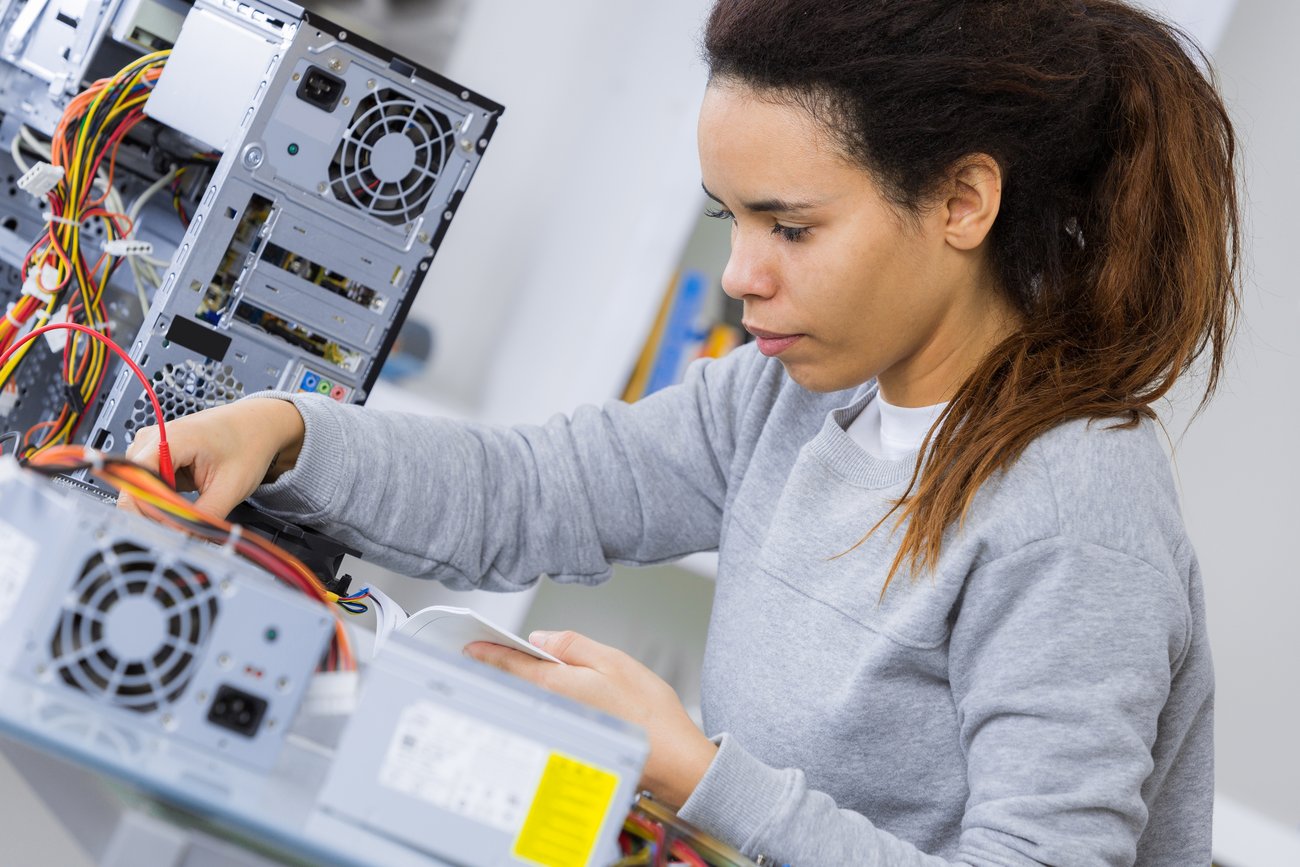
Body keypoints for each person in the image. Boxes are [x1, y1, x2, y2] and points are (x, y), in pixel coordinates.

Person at [124, 0, 1239, 863]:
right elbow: (530, 492)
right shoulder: (790, 397)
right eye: (732, 220)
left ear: (961, 203)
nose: (743, 278)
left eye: (790, 227)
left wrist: (692, 770)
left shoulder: (1074, 512)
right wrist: (283, 434)